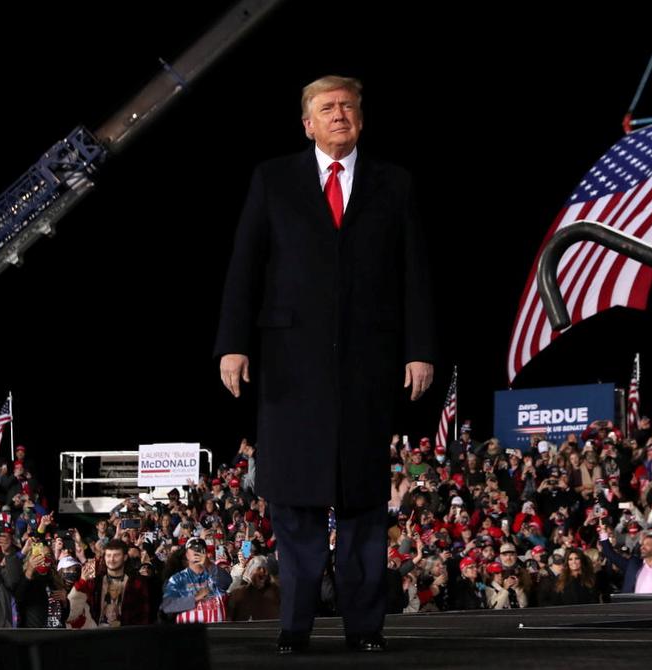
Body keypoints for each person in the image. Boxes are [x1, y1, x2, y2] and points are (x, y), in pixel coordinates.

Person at [215, 75, 435, 654]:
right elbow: (245, 265)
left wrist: (420, 348)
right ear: (307, 123)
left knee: (363, 500)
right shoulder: (273, 179)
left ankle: (366, 627)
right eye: (327, 108)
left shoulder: (395, 183)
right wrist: (232, 343)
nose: (340, 114)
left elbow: (414, 272)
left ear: (361, 118)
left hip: (368, 366)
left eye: (349, 106)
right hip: (292, 370)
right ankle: (296, 625)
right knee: (295, 503)